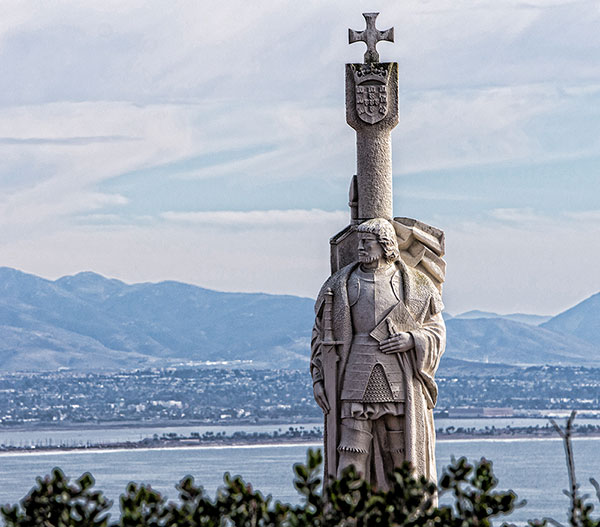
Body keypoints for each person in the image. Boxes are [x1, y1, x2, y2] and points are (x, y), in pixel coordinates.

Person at [311, 218, 445, 489]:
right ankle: (348, 514)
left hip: (398, 376)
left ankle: (404, 511)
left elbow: (436, 330)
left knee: (401, 452)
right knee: (351, 453)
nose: (360, 247)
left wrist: (411, 339)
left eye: (366, 242)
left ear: (385, 245)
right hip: (355, 372)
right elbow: (319, 337)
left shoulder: (415, 285)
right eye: (359, 242)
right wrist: (318, 378)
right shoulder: (340, 285)